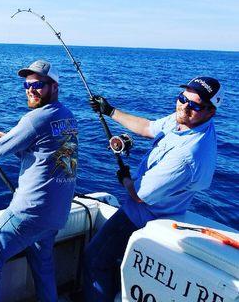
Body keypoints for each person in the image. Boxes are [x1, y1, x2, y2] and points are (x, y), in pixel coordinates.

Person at [83, 76, 223, 302]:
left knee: (93, 260)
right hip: (155, 211)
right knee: (110, 263)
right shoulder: (186, 121)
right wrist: (110, 111)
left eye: (195, 105)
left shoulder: (189, 155)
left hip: (141, 217)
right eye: (182, 99)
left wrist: (125, 179)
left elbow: (139, 196)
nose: (185, 107)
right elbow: (148, 127)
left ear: (210, 111)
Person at [0, 59, 79, 302]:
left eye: (38, 84)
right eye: (27, 85)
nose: (31, 89)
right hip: (56, 212)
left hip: (30, 212)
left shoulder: (36, 119)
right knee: (44, 268)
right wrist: (17, 142)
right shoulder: (67, 115)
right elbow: (53, 154)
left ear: (54, 87)